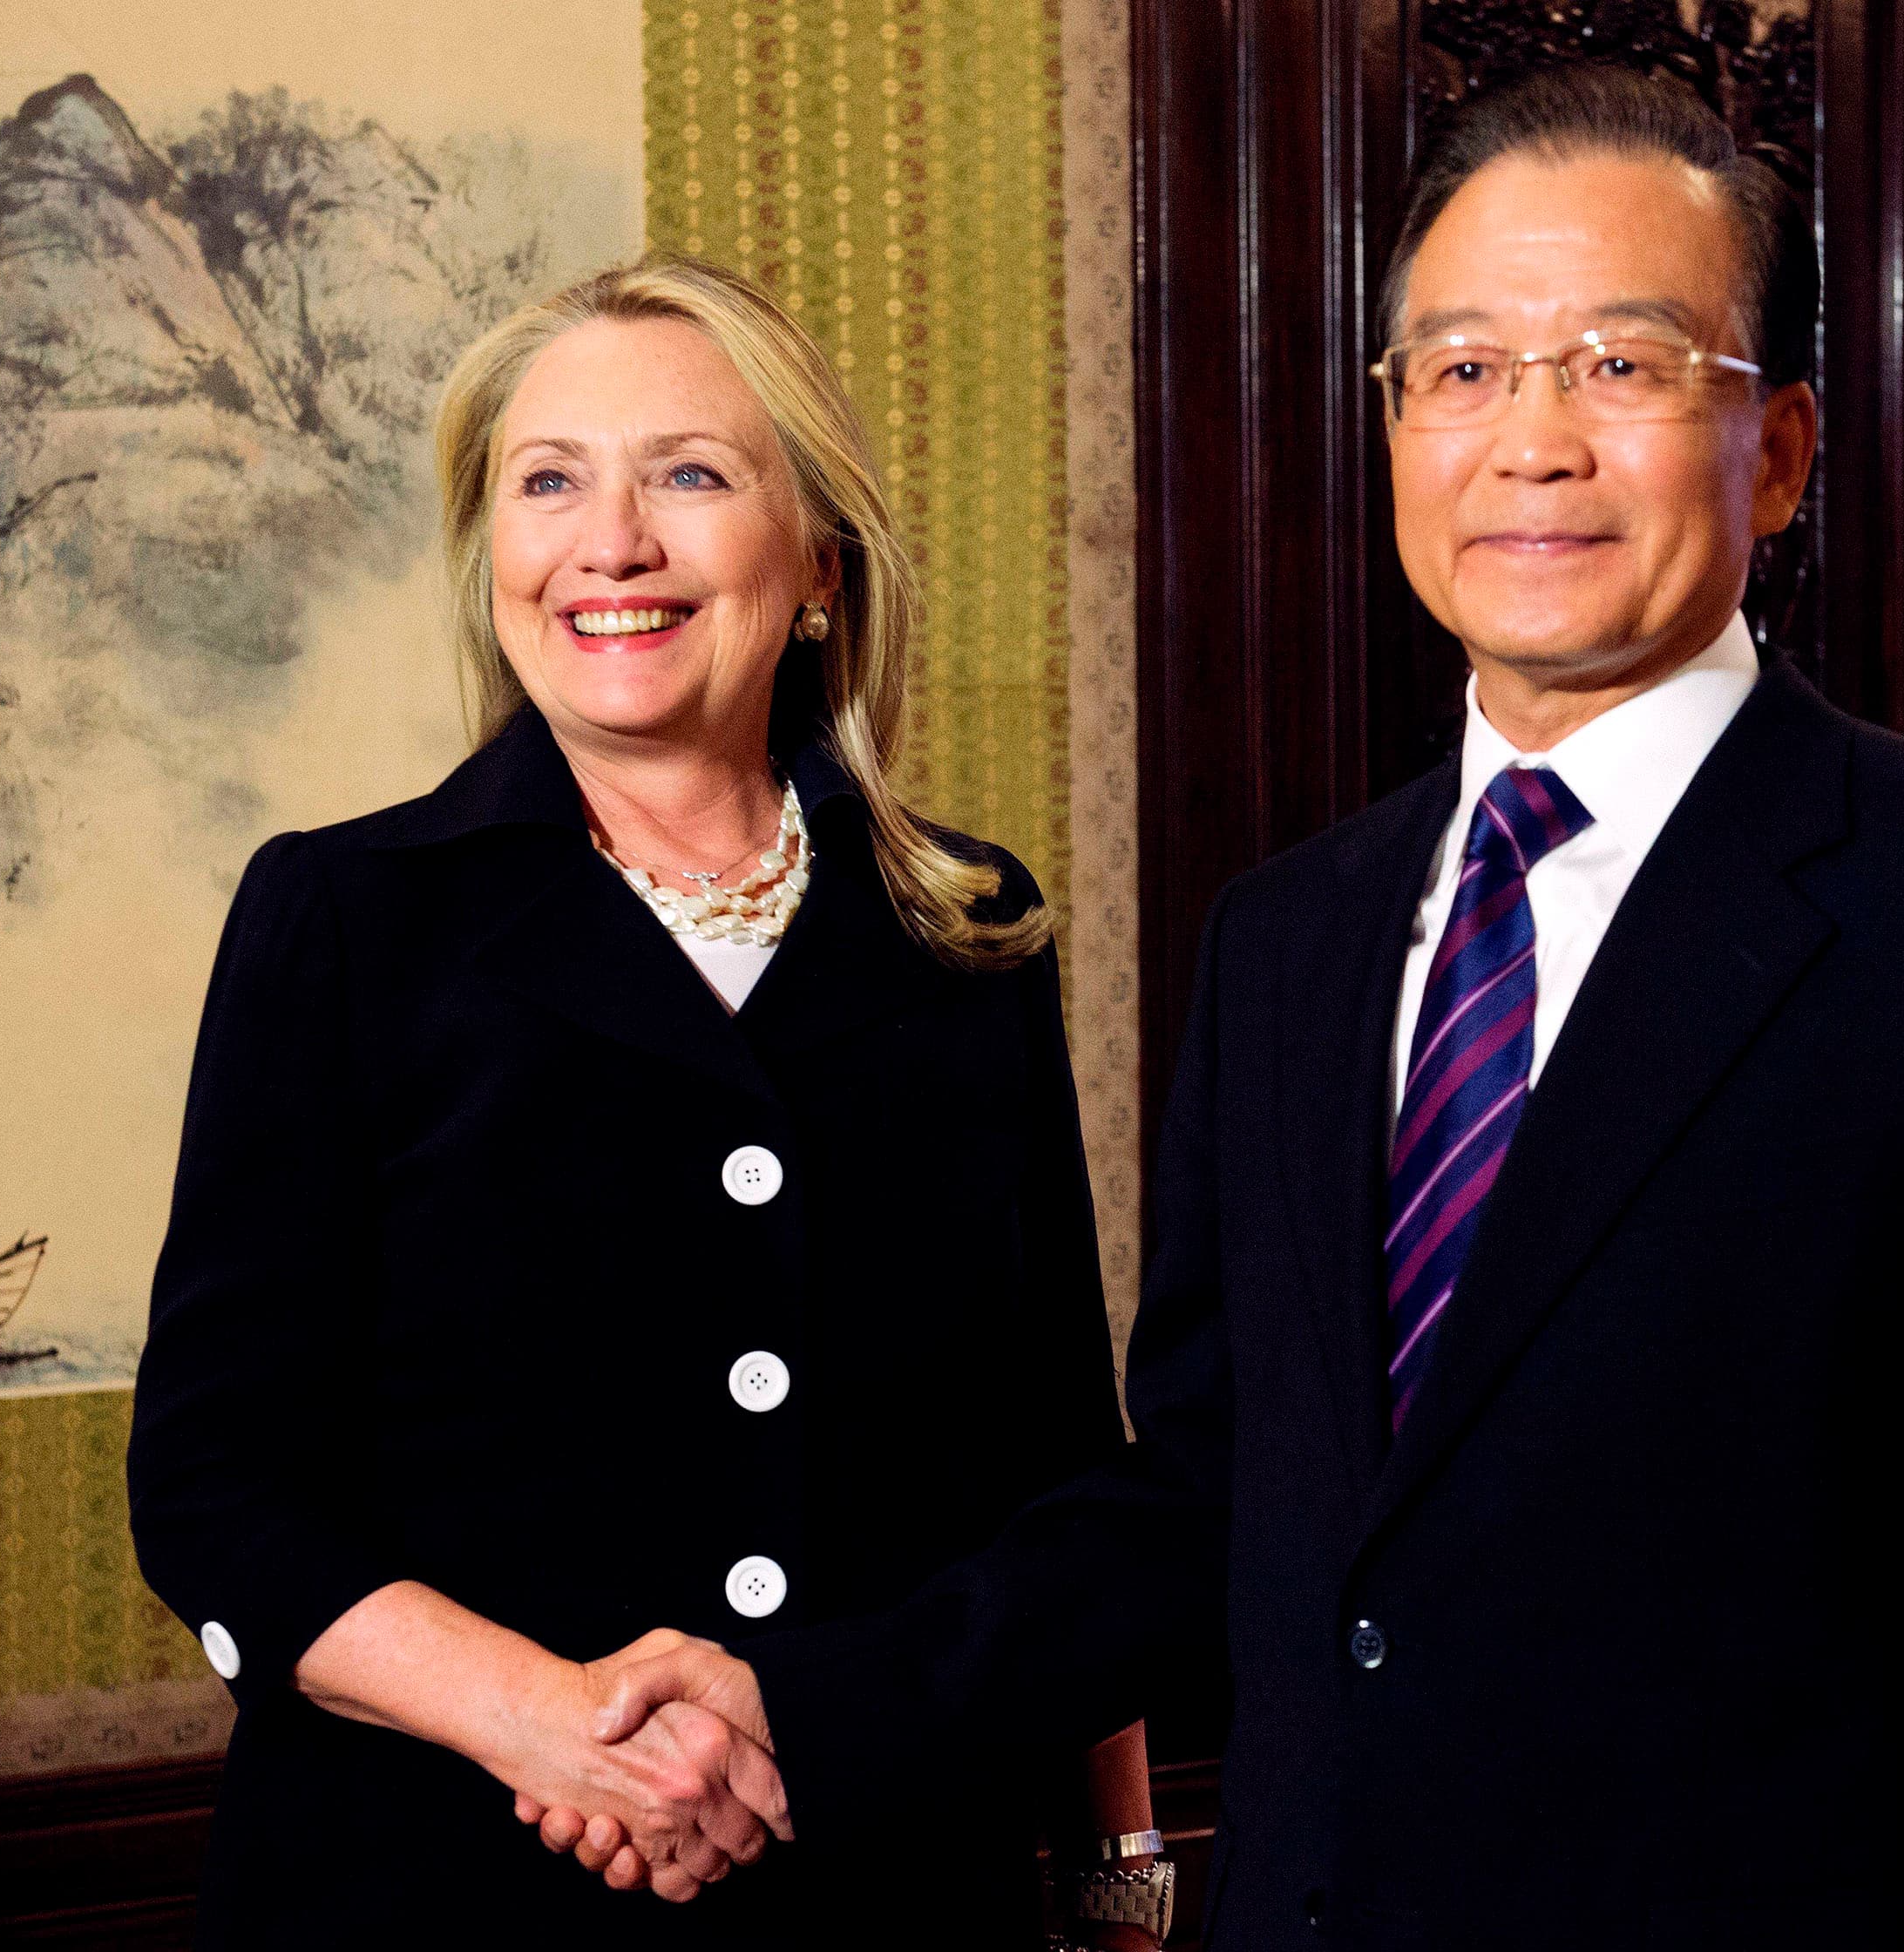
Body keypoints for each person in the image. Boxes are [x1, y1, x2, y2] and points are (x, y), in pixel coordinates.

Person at [559, 65, 1904, 1951]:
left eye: (1622, 365)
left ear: (1777, 451)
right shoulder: (1290, 938)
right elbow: (1212, 1499)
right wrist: (802, 1706)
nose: (1533, 443)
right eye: (1463, 370)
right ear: (1393, 426)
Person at [126, 254, 1162, 1947]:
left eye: (688, 473)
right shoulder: (344, 921)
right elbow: (214, 1486)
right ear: (492, 559)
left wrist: (1117, 1878)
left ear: (816, 560)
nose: (608, 543)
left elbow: (1054, 1479)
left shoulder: (967, 932)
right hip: (427, 1904)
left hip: (892, 1902)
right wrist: (553, 1727)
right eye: (548, 483)